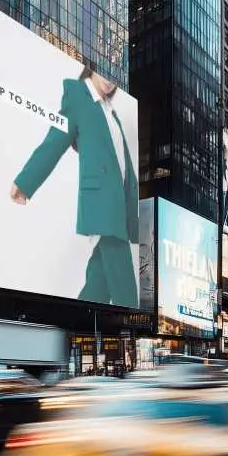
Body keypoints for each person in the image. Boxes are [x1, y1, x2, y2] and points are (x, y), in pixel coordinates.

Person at [10, 67, 138, 307]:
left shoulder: (110, 111)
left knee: (97, 291)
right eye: (105, 71)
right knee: (126, 296)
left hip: (117, 210)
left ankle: (70, 334)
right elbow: (55, 140)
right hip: (102, 208)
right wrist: (26, 182)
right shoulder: (78, 95)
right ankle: (131, 342)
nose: (110, 80)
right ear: (91, 67)